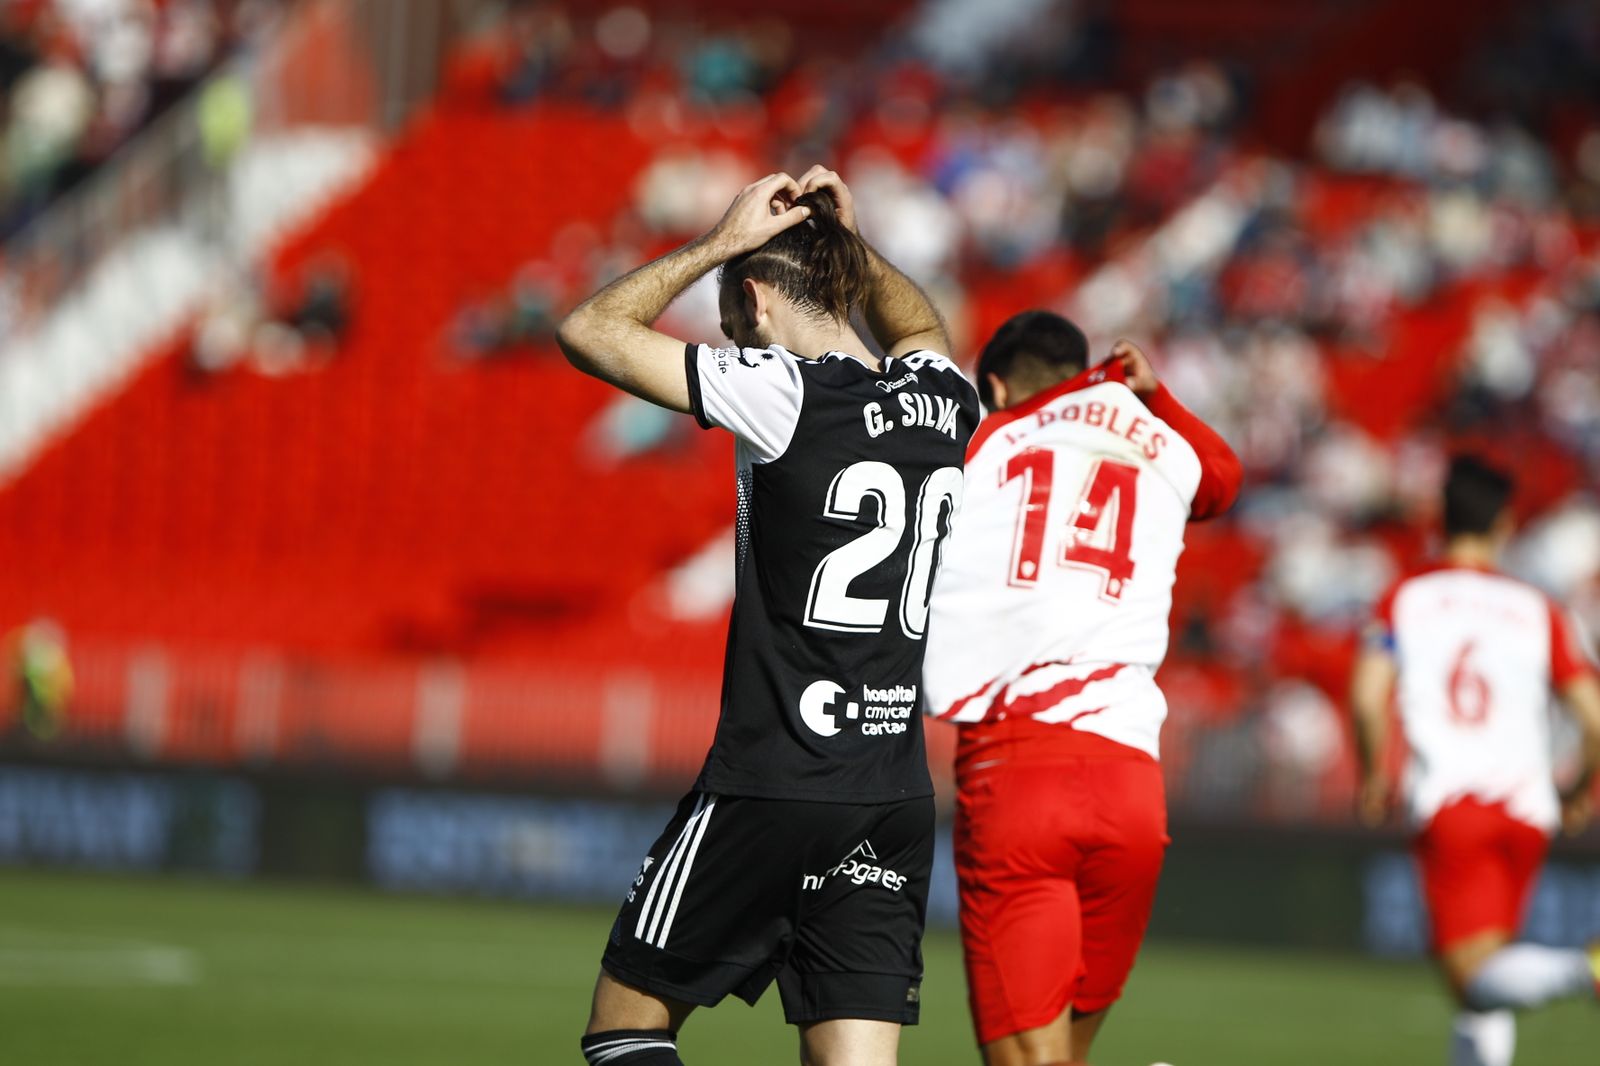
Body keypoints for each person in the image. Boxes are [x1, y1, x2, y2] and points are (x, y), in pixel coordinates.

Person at [558, 166, 979, 1066]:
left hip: (774, 779)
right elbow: (920, 327)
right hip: (894, 793)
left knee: (625, 1026)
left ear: (752, 298)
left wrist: (718, 241)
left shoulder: (783, 390)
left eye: (730, 314)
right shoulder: (948, 399)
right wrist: (847, 241)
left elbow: (589, 331)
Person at [921, 312, 1242, 1066]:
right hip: (1132, 783)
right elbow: (1222, 478)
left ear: (997, 385)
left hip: (1019, 765)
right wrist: (1152, 396)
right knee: (1062, 1053)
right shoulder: (1161, 445)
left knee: (1028, 1058)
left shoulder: (987, 438)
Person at [1350, 455, 1600, 1066]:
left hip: (1452, 802)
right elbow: (1593, 716)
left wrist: (1375, 774)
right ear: (1506, 523)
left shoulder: (1407, 595)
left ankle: (1584, 968)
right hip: (1527, 809)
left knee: (1474, 976)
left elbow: (1364, 695)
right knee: (1486, 987)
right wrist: (1580, 791)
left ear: (1441, 517)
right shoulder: (1537, 608)